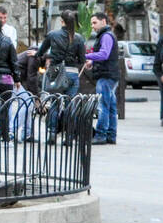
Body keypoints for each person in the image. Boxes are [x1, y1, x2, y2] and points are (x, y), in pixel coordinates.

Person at [36, 9, 85, 142]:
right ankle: (69, 136)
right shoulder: (79, 38)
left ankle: (52, 133)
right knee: (71, 104)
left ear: (61, 21)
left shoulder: (53, 35)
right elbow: (81, 60)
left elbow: (41, 52)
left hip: (56, 72)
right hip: (72, 73)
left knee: (54, 102)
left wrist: (49, 57)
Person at [86, 13, 120, 145]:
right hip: (111, 74)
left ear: (103, 21)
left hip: (106, 75)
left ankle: (101, 135)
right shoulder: (108, 35)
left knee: (103, 106)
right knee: (111, 106)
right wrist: (92, 62)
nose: (92, 26)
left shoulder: (105, 36)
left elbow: (104, 54)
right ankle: (111, 135)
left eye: (94, 23)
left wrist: (87, 56)